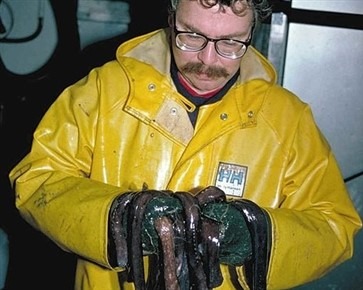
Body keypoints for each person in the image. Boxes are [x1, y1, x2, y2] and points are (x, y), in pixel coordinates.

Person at [8, 0, 362, 289]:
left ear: (253, 32)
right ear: (171, 16)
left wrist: (257, 235)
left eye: (231, 43)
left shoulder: (288, 119)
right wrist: (121, 219)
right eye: (192, 36)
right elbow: (36, 180)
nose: (208, 61)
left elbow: (335, 228)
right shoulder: (103, 90)